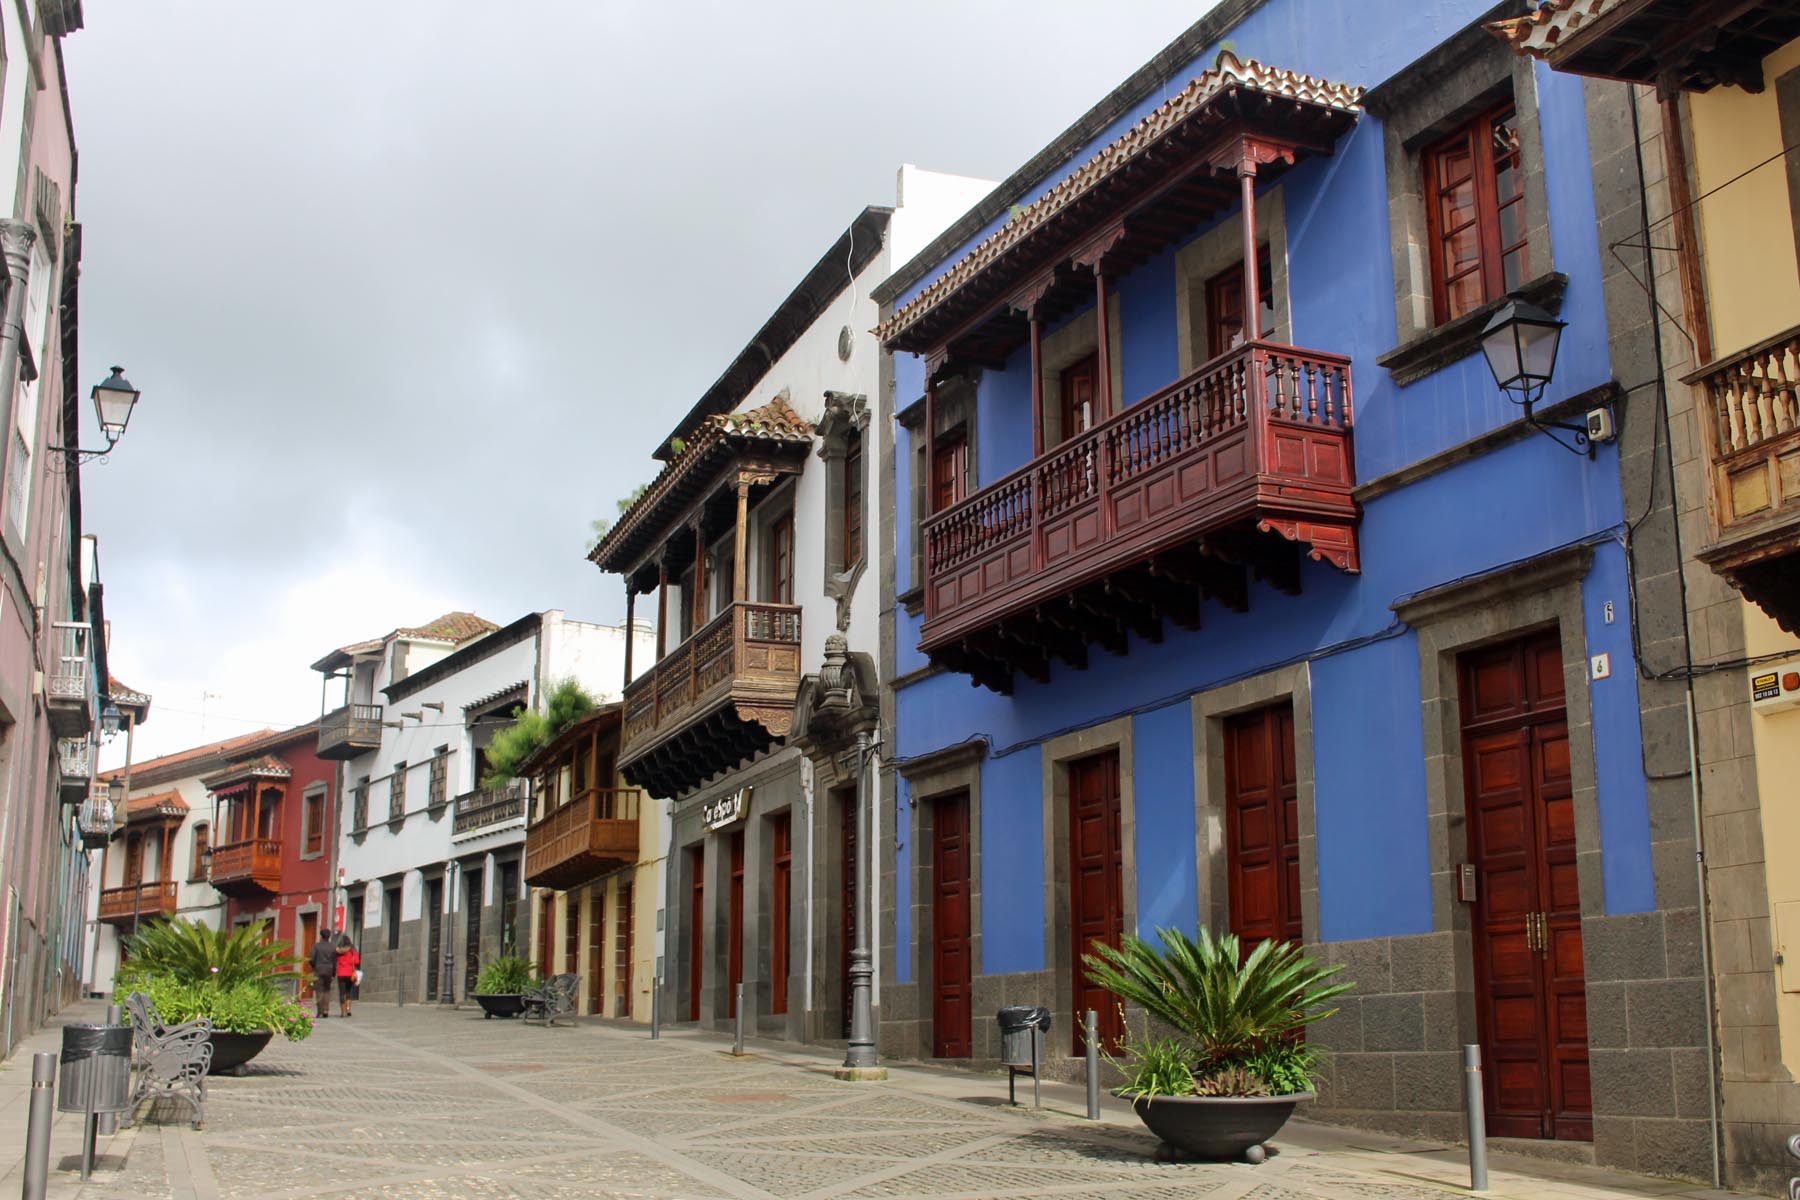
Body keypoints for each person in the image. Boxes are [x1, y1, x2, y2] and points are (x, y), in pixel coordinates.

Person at [309, 929, 337, 1019]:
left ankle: (320, 1011)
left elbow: (311, 959)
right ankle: (326, 1010)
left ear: (321, 936)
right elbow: (335, 961)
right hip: (329, 969)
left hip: (318, 969)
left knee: (319, 990)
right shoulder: (332, 947)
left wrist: (314, 966)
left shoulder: (316, 946)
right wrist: (333, 973)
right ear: (329, 936)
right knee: (327, 990)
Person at [334, 933, 361, 1018]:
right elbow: (357, 962)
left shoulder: (338, 950)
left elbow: (335, 960)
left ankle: (343, 1012)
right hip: (350, 973)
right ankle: (348, 1009)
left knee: (342, 993)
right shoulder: (352, 950)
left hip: (341, 973)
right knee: (348, 992)